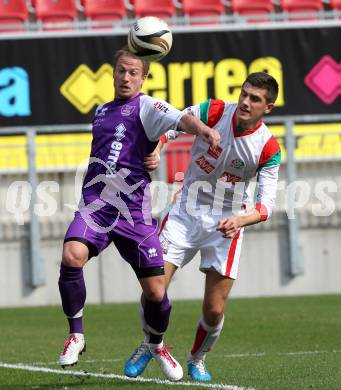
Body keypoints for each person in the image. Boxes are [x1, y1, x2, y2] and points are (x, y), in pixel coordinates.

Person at [57, 48, 220, 382]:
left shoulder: (147, 106)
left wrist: (201, 130)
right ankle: (76, 334)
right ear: (113, 73)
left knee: (157, 293)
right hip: (97, 205)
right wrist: (153, 149)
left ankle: (156, 344)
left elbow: (179, 119)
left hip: (134, 214)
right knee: (72, 256)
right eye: (121, 71)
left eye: (133, 73)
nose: (126, 77)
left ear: (143, 78)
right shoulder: (101, 112)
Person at [124, 72, 281, 381]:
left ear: (269, 108)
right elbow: (173, 124)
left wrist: (239, 220)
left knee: (213, 309)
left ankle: (197, 359)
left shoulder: (268, 148)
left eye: (255, 99)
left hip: (227, 224)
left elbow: (265, 208)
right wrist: (156, 149)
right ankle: (151, 343)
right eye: (245, 94)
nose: (246, 102)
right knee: (154, 289)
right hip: (185, 211)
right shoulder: (216, 111)